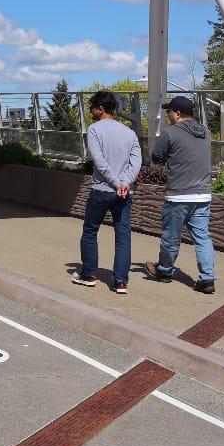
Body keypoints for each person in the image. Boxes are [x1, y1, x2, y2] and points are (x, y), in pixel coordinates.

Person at [144, 96, 217, 294]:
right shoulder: (206, 133)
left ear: (177, 113)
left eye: (169, 112)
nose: (168, 115)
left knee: (171, 236)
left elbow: (156, 158)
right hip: (202, 195)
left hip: (178, 196)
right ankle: (207, 278)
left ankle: (165, 271)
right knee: (202, 237)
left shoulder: (170, 133)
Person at [73, 91, 142, 294]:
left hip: (102, 190)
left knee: (90, 231)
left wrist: (114, 182)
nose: (91, 111)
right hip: (124, 193)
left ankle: (89, 275)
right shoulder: (129, 133)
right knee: (123, 236)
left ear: (100, 109)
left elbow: (99, 161)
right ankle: (121, 281)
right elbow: (136, 161)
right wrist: (124, 183)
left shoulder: (94, 130)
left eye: (92, 107)